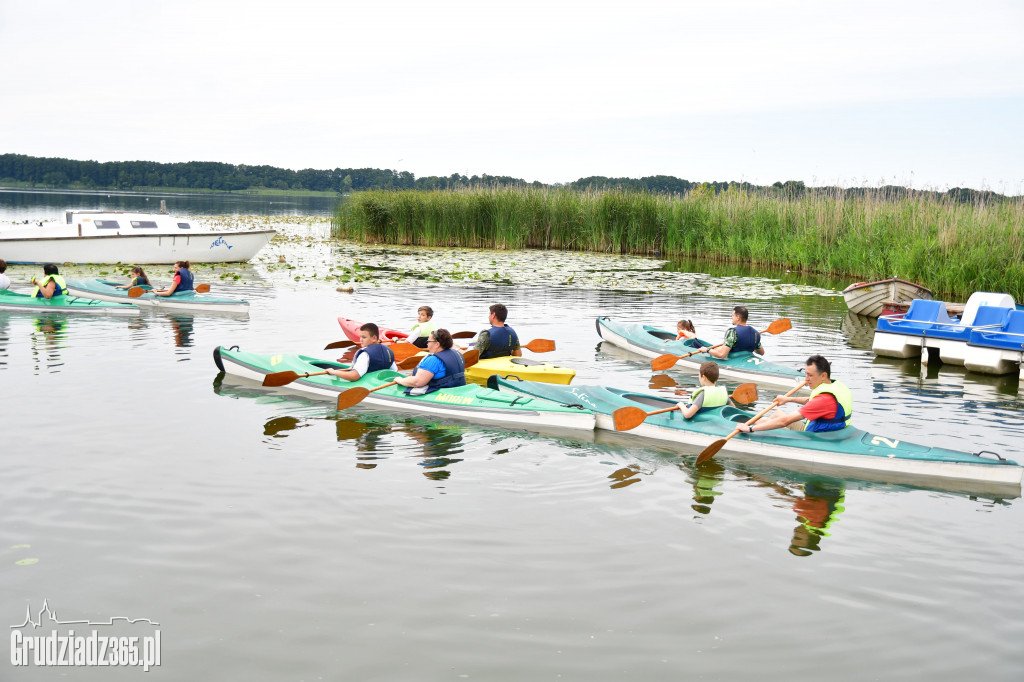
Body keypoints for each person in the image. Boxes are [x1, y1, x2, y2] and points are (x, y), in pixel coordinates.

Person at [740, 355, 853, 434]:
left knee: (765, 422)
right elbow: (810, 400)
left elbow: (785, 421)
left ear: (823, 375)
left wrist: (751, 429)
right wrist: (788, 399)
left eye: (810, 375)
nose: (806, 379)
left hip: (814, 437)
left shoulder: (823, 400)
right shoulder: (834, 385)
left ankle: (749, 433)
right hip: (825, 430)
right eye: (805, 374)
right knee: (777, 413)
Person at [393, 328, 466, 395]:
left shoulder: (433, 360)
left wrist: (400, 380)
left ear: (437, 344)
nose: (427, 344)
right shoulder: (457, 353)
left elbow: (417, 382)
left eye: (428, 341)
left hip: (442, 394)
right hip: (458, 390)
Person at [326, 323, 397, 381]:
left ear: (374, 338)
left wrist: (334, 372)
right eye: (360, 337)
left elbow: (354, 376)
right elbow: (394, 371)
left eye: (364, 337)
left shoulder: (365, 354)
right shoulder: (388, 351)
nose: (361, 340)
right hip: (381, 383)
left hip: (368, 385)